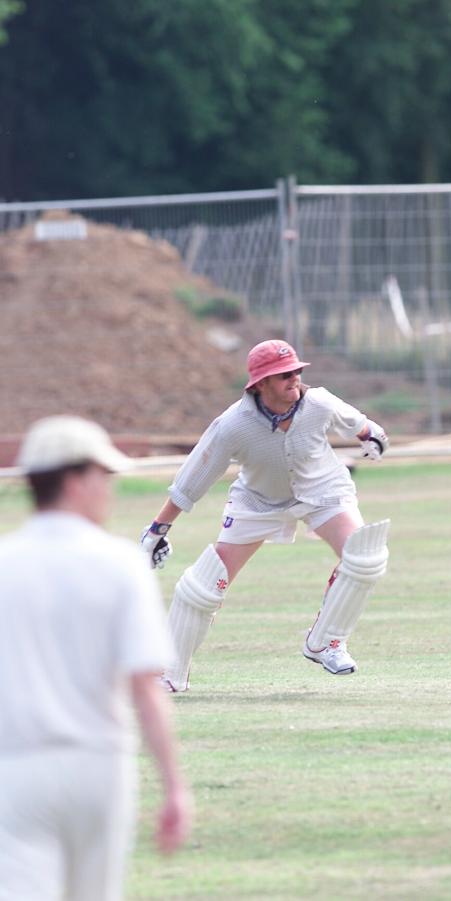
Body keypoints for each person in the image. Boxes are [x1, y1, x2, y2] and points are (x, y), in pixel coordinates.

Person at [0, 415, 192, 901]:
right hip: (98, 767)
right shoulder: (119, 563)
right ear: (73, 478)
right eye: (102, 476)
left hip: (16, 770)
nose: (110, 489)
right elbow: (146, 689)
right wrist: (173, 786)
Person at [141, 339, 391, 691]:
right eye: (283, 375)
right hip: (257, 501)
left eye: (296, 372)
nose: (294, 380)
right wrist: (158, 529)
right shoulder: (233, 425)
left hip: (323, 492)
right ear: (260, 384)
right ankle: (170, 672)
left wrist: (372, 436)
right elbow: (192, 479)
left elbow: (357, 423)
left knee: (365, 556)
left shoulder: (318, 401)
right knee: (201, 588)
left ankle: (325, 642)